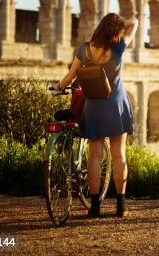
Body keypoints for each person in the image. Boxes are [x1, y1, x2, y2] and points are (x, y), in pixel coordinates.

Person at [55, 13, 138, 218]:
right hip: (116, 105)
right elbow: (134, 22)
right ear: (115, 30)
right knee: (119, 156)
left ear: (99, 28)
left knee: (94, 157)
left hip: (94, 107)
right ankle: (121, 206)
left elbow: (70, 76)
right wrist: (120, 24)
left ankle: (94, 207)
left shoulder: (84, 48)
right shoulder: (119, 46)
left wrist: (59, 86)